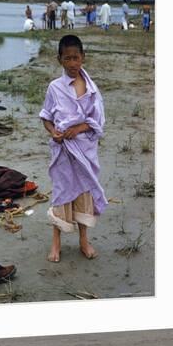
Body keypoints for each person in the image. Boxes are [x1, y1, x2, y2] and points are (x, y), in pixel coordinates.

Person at [39, 35, 107, 262]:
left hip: (84, 150)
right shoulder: (55, 88)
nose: (72, 63)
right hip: (63, 152)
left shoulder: (91, 89)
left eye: (76, 58)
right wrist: (53, 132)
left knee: (83, 193)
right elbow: (46, 117)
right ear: (59, 60)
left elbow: (96, 121)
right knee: (61, 194)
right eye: (67, 58)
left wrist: (79, 128)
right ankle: (56, 243)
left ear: (83, 58)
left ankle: (83, 241)